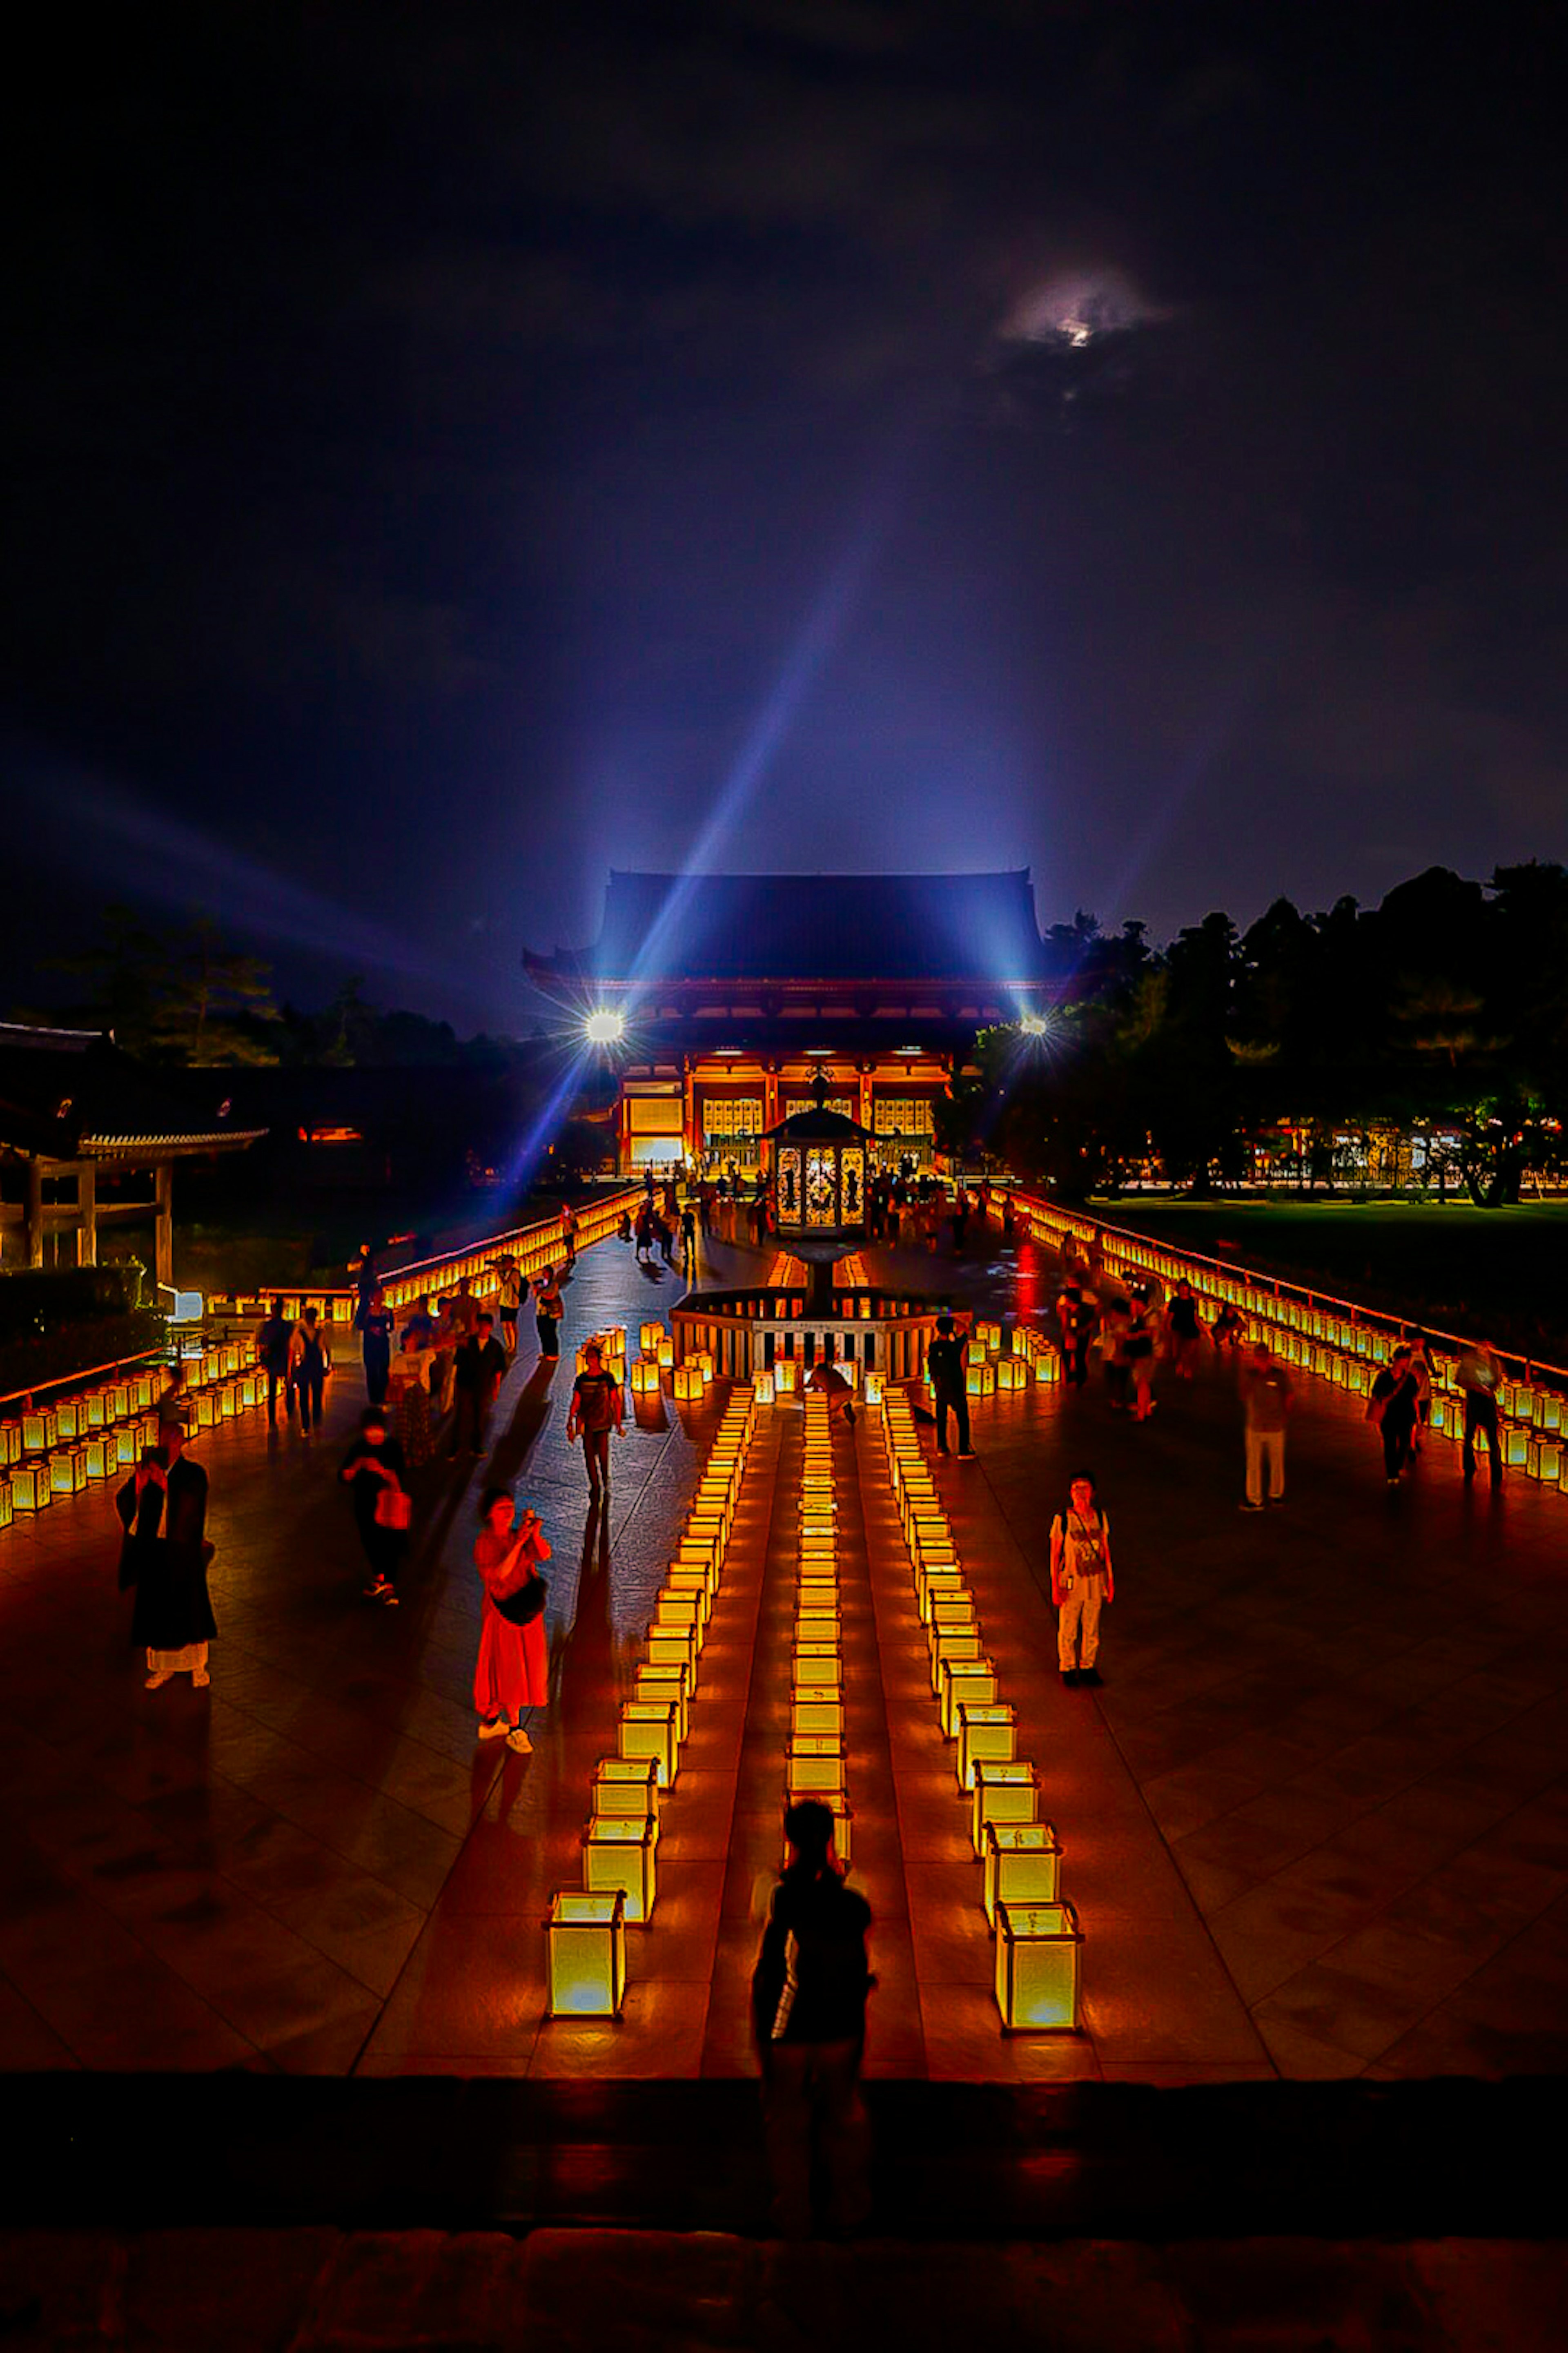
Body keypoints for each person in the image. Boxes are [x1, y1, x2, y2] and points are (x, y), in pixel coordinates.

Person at [751, 1798, 873, 2241]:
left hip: (786, 2022)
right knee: (845, 2110)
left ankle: (793, 2208)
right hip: (840, 2017)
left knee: (786, 2116)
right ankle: (850, 2203)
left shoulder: (775, 1892)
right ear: (831, 1837)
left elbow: (768, 1959)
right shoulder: (853, 1898)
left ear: (789, 1837)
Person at [117, 1419, 215, 1690]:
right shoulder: (151, 1471)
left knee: (188, 1611)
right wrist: (139, 1485)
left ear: (181, 1442)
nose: (167, 1445)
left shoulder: (193, 1473)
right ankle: (162, 1667)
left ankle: (197, 1667)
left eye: (172, 1440)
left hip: (182, 1551)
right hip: (156, 1551)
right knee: (157, 1613)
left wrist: (167, 1487)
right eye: (163, 1439)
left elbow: (194, 1507)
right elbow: (126, 1504)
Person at [473, 1488, 550, 1753]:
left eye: (511, 1507)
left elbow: (543, 1554)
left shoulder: (518, 1534)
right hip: (503, 1615)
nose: (508, 1512)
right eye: (501, 1508)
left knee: (511, 1667)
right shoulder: (485, 1542)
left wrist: (533, 1535)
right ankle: (516, 1729)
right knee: (510, 1669)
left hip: (526, 1611)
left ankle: (492, 1721)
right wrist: (518, 1544)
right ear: (489, 1514)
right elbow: (498, 1576)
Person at [1050, 1473, 1113, 1687]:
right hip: (1071, 1580)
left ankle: (1088, 1665)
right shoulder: (1063, 1520)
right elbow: (1055, 1554)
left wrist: (1109, 1581)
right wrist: (1055, 1586)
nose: (1080, 1492)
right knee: (1068, 1626)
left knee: (1092, 1626)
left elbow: (1106, 1551)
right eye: (1076, 1488)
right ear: (1070, 1493)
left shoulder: (1100, 1518)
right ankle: (1067, 1666)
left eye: (1085, 1488)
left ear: (1093, 1493)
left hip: (1095, 1580)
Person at [339, 1407, 408, 1603]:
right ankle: (379, 1577)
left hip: (388, 1506)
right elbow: (344, 1476)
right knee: (370, 1541)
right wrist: (352, 1469)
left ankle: (390, 1585)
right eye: (370, 1430)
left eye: (378, 1429)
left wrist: (381, 1470)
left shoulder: (392, 1447)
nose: (374, 1434)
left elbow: (399, 1480)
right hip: (365, 1504)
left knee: (388, 1545)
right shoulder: (359, 1448)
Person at [1239, 1339, 1293, 1510]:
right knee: (1254, 1464)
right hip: (1256, 1425)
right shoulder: (1250, 1376)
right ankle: (1255, 1498)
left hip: (1275, 1426)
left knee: (1277, 1462)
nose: (1262, 1360)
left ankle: (1276, 1494)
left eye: (1265, 1357)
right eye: (1259, 1357)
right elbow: (1243, 1394)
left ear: (1270, 1358)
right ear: (1255, 1359)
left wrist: (1283, 1415)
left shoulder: (1280, 1376)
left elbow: (1289, 1396)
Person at [567, 1339, 623, 1498]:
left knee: (604, 1456)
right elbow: (576, 1401)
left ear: (598, 1359)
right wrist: (570, 1421)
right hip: (587, 1423)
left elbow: (615, 1400)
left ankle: (605, 1481)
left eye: (593, 1357)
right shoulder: (581, 1379)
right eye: (588, 1357)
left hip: (604, 1422)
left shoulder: (608, 1378)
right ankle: (595, 1485)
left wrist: (618, 1423)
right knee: (589, 1456)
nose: (590, 1360)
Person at [452, 1311, 508, 1457]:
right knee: (461, 1416)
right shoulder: (467, 1343)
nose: (483, 1328)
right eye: (481, 1325)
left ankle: (476, 1446)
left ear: (490, 1327)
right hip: (465, 1384)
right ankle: (455, 1446)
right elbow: (457, 1364)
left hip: (482, 1386)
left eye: (486, 1326)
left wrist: (496, 1388)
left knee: (479, 1417)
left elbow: (499, 1369)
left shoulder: (495, 1346)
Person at [1457, 1338, 1506, 1486]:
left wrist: (1492, 1389)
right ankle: (1469, 1467)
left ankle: (1497, 1473)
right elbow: (1459, 1379)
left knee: (1493, 1438)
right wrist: (1475, 1387)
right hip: (1474, 1399)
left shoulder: (1495, 1362)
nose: (1486, 1348)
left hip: (1489, 1401)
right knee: (1469, 1436)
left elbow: (1499, 1379)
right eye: (1483, 1345)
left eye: (1489, 1345)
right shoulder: (1468, 1361)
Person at [1370, 1346, 1420, 1484]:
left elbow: (1414, 1398)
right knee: (1390, 1444)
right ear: (1396, 1360)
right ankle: (1392, 1473)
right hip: (1389, 1416)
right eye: (1403, 1360)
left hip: (1406, 1416)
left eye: (1407, 1361)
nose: (1405, 1364)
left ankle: (1397, 1466)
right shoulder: (1385, 1377)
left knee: (1404, 1444)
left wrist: (1418, 1418)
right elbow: (1376, 1393)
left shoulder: (1410, 1379)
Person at [926, 1315, 973, 1457]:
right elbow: (967, 1331)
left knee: (941, 1417)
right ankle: (963, 1449)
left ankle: (942, 1447)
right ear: (951, 1329)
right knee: (962, 1417)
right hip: (955, 1385)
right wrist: (956, 1320)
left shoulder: (933, 1347)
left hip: (940, 1386)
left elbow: (931, 1366)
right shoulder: (954, 1347)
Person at [288, 1306, 330, 1433]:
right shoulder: (320, 1333)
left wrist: (292, 1369)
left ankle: (307, 1425)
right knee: (315, 1396)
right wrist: (328, 1366)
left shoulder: (300, 1333)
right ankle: (314, 1423)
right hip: (315, 1367)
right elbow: (327, 1350)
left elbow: (293, 1351)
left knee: (305, 1397)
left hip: (306, 1367)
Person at [254, 1295, 292, 1427]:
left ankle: (272, 1419)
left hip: (272, 1362)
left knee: (272, 1391)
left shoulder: (267, 1326)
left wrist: (261, 1358)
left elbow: (260, 1342)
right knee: (289, 1387)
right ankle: (290, 1413)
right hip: (285, 1361)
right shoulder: (288, 1326)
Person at [1126, 1292, 1158, 1422]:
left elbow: (1151, 1332)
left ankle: (1141, 1412)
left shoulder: (1150, 1316)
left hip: (1145, 1353)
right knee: (1144, 1382)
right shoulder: (1140, 1317)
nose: (1132, 1305)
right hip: (1143, 1352)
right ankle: (1147, 1409)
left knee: (1141, 1382)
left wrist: (1134, 1336)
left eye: (1134, 1303)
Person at [361, 1285, 394, 1407]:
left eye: (381, 1295)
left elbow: (392, 1327)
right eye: (377, 1295)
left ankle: (384, 1396)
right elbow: (360, 1325)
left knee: (384, 1369)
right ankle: (374, 1398)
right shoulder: (367, 1312)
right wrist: (371, 1329)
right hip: (370, 1345)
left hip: (382, 1344)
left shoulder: (387, 1311)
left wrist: (385, 1328)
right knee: (372, 1370)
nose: (379, 1298)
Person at [1167, 1280, 1203, 1379]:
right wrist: (1168, 1325)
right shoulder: (1175, 1301)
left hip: (1191, 1327)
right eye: (1182, 1288)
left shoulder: (1193, 1301)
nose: (1184, 1290)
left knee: (1190, 1350)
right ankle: (1181, 1364)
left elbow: (1196, 1316)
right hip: (1178, 1327)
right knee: (1179, 1350)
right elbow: (1171, 1315)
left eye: (1186, 1288)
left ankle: (1187, 1368)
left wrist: (1202, 1329)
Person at [807, 1357, 855, 1428]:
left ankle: (827, 1424)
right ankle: (850, 1420)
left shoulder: (817, 1373)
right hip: (848, 1391)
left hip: (835, 1394)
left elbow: (810, 1384)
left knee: (829, 1408)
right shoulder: (834, 1371)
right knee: (843, 1404)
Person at [535, 1267, 564, 1363]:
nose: (544, 1275)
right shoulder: (543, 1283)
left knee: (550, 1333)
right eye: (543, 1273)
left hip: (550, 1313)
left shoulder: (554, 1284)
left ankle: (554, 1353)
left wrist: (541, 1292)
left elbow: (551, 1296)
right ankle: (546, 1352)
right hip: (540, 1311)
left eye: (546, 1273)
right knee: (542, 1333)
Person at [495, 1257, 523, 1353]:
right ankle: (509, 1345)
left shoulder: (515, 1273)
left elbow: (505, 1282)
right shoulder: (506, 1272)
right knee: (505, 1324)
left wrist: (499, 1272)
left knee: (511, 1324)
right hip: (504, 1301)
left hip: (512, 1302)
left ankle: (514, 1345)